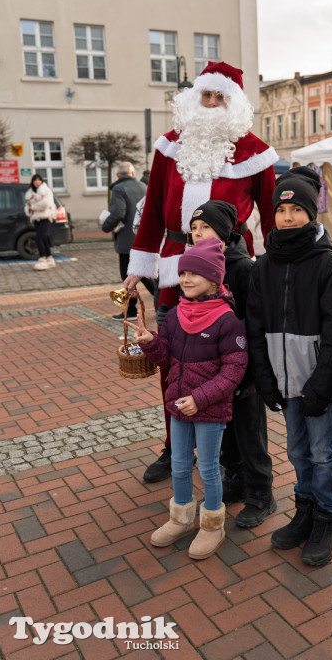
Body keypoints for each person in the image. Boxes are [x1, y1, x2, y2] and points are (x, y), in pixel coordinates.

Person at [124, 61, 277, 483]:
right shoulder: (169, 146)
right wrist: (138, 267)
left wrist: (277, 271)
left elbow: (271, 216)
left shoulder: (255, 152)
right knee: (173, 358)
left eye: (219, 97)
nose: (210, 103)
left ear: (234, 104)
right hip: (175, 263)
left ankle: (233, 455)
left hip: (230, 267)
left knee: (224, 359)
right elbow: (153, 212)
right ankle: (175, 445)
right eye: (205, 95)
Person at [247, 167, 332, 566]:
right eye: (281, 210)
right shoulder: (263, 266)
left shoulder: (329, 265)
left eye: (296, 210)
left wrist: (324, 384)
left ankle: (327, 517)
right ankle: (304, 509)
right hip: (283, 381)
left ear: (311, 213)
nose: (287, 217)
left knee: (323, 452)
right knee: (297, 450)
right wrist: (265, 379)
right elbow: (255, 325)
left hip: (316, 382)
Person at [125, 238, 248, 559]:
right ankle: (180, 518)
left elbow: (234, 371)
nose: (186, 279)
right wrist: (150, 341)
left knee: (208, 469)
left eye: (194, 273)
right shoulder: (175, 314)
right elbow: (166, 357)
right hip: (178, 407)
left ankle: (212, 525)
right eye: (182, 273)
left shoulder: (227, 320)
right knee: (180, 466)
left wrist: (200, 399)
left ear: (214, 278)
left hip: (209, 409)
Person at [189, 200, 274, 527]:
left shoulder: (242, 268)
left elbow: (256, 322)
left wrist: (247, 367)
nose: (198, 234)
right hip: (213, 371)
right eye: (194, 229)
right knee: (226, 433)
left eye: (205, 228)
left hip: (243, 370)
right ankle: (236, 480)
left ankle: (262, 494)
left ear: (224, 233)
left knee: (250, 433)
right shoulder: (197, 267)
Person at [101, 162, 151, 320]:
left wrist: (106, 226)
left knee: (128, 275)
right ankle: (162, 302)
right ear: (133, 173)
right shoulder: (144, 186)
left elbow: (118, 213)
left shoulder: (118, 188)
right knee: (145, 273)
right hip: (143, 237)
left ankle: (130, 311)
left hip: (126, 240)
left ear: (117, 175)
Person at [24, 174, 57, 270]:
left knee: (38, 239)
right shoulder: (30, 193)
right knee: (44, 239)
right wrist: (29, 208)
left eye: (39, 180)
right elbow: (27, 206)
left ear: (42, 181)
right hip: (36, 218)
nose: (37, 181)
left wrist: (33, 206)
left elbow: (45, 204)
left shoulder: (46, 190)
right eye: (35, 180)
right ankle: (50, 259)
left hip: (46, 217)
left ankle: (42, 259)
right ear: (32, 182)